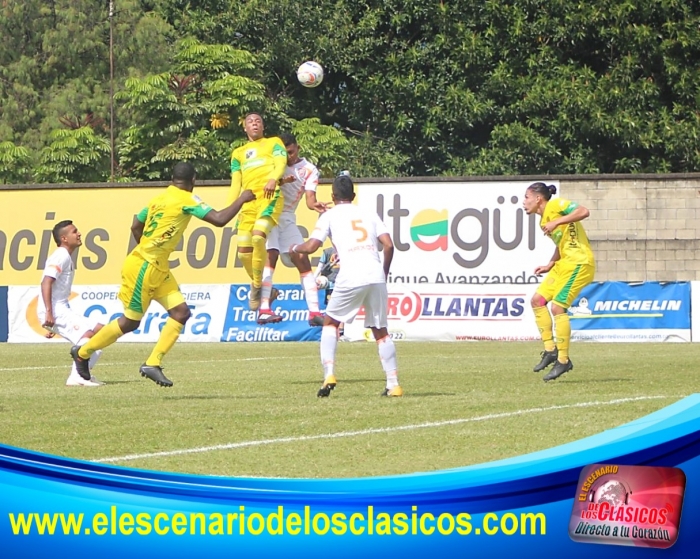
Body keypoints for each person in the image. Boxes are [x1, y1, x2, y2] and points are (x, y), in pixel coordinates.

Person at [70, 162, 255, 387]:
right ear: (193, 180)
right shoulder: (187, 199)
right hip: (144, 267)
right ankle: (83, 352)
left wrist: (148, 247)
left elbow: (136, 225)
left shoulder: (158, 198)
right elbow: (219, 219)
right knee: (130, 323)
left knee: (181, 312)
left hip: (156, 265)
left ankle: (152, 363)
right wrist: (242, 198)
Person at [291, 173, 402, 398]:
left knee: (330, 323)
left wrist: (294, 248)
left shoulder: (329, 216)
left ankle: (329, 373)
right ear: (353, 195)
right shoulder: (369, 214)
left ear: (332, 196)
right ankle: (394, 384)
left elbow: (312, 246)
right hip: (375, 275)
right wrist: (384, 272)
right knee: (381, 331)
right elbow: (389, 245)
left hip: (351, 275)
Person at [523, 182, 595, 382]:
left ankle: (563, 360)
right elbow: (561, 244)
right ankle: (550, 350)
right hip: (563, 264)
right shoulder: (542, 221)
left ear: (538, 199)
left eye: (526, 197)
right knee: (537, 300)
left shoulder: (556, 206)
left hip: (579, 262)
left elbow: (584, 211)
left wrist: (558, 222)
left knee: (557, 308)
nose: (523, 202)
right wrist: (549, 264)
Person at [257, 132, 328, 326]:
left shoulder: (309, 169)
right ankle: (264, 309)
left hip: (287, 217)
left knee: (302, 258)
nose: (288, 157)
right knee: (271, 255)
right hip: (270, 212)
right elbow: (261, 186)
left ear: (298, 148)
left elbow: (309, 199)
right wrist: (281, 181)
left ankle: (314, 313)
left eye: (291, 152)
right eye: (285, 153)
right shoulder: (272, 162)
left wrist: (315, 206)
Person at [228, 113, 287, 312]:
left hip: (269, 197)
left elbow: (281, 163)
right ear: (244, 128)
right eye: (250, 122)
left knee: (258, 237)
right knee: (243, 251)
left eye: (258, 121)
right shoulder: (238, 153)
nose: (254, 123)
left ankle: (256, 288)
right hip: (247, 204)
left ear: (263, 126)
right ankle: (261, 286)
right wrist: (230, 207)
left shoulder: (273, 143)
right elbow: (235, 183)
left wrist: (273, 178)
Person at [38, 220, 104, 387]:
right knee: (87, 337)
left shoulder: (65, 256)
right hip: (55, 308)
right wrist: (49, 313)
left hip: (60, 308)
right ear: (64, 238)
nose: (79, 234)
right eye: (74, 232)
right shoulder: (60, 255)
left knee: (101, 333)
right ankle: (77, 377)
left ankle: (84, 374)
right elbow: (46, 282)